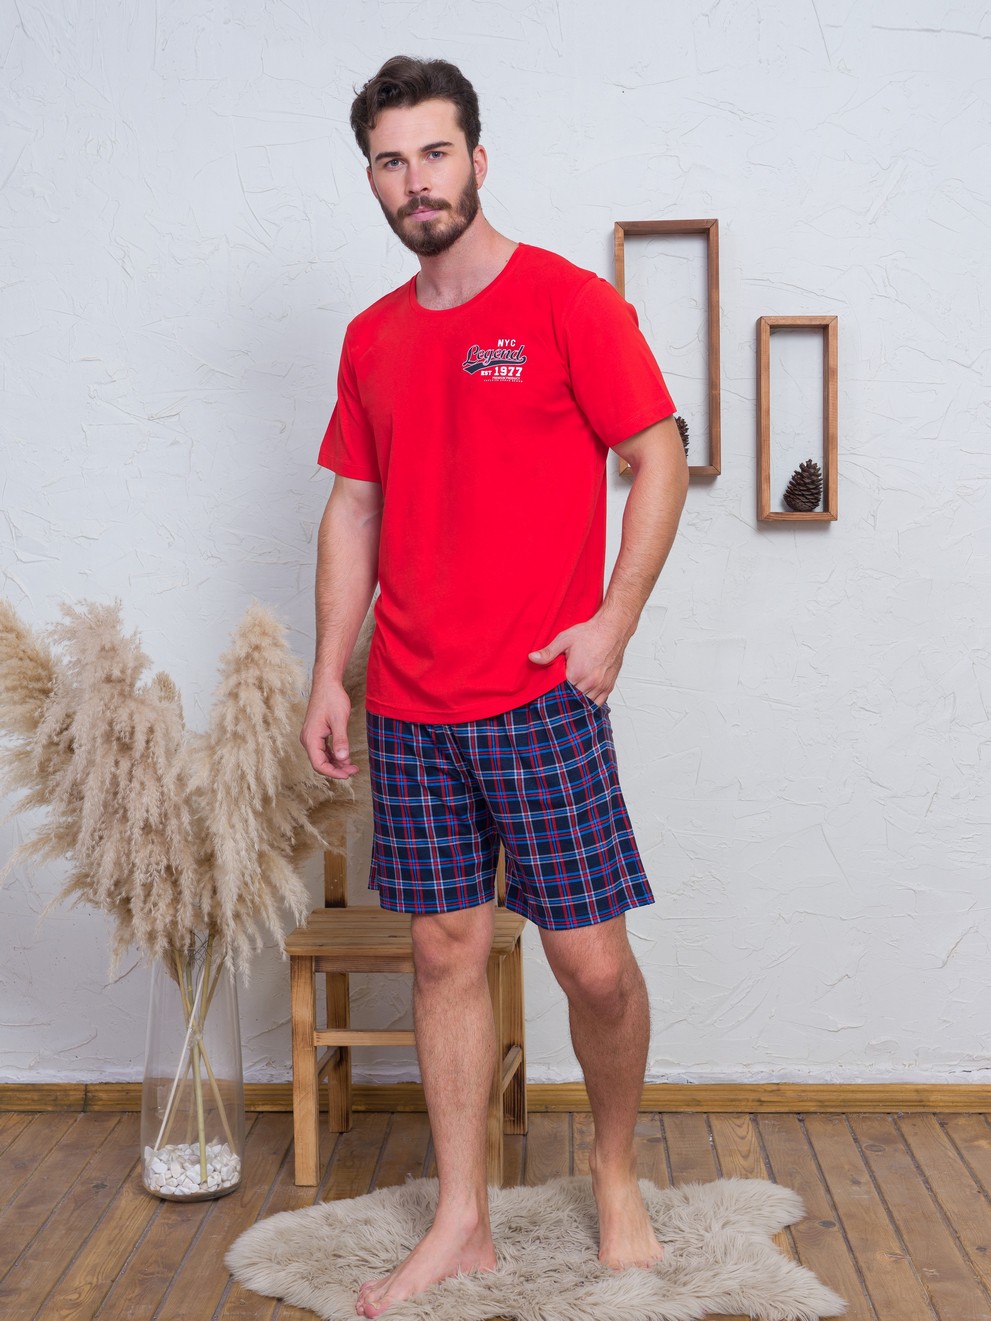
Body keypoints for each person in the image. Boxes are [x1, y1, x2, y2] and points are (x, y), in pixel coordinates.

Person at [300, 54, 688, 1319]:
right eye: (390, 160)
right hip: (412, 704)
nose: (415, 180)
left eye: (434, 152)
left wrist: (612, 622)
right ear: (372, 176)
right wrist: (329, 673)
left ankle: (613, 1170)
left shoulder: (568, 303)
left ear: (477, 158)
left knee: (593, 967)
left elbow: (657, 454)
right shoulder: (371, 338)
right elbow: (353, 507)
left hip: (538, 697)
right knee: (444, 952)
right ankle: (461, 1220)